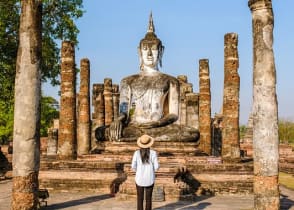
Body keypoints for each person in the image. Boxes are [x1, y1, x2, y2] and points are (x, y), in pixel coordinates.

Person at [109, 13, 199, 142]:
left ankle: (138, 138)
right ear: (139, 52)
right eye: (145, 49)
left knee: (191, 133)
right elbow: (124, 111)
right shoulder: (127, 81)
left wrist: (157, 123)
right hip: (134, 127)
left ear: (161, 51)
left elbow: (173, 114)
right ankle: (136, 137)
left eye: (153, 49)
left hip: (160, 127)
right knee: (102, 132)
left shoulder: (171, 81)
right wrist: (118, 120)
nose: (150, 54)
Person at [131, 134, 159, 210]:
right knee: (149, 198)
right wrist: (151, 169)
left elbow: (133, 166)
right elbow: (157, 167)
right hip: (150, 178)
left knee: (140, 198)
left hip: (139, 179)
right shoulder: (153, 153)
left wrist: (139, 170)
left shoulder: (136, 153)